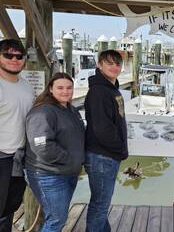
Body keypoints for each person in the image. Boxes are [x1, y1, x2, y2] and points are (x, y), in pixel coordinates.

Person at [24, 72, 85, 232]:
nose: (65, 91)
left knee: (58, 216)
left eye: (69, 87)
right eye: (60, 88)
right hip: (48, 175)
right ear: (50, 89)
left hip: (68, 172)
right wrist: (71, 160)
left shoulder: (71, 110)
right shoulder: (42, 112)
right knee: (57, 219)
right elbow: (43, 146)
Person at [84, 50, 128, 232]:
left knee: (102, 203)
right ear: (99, 65)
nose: (114, 67)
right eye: (109, 63)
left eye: (117, 64)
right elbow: (102, 129)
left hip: (107, 156)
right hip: (102, 157)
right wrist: (120, 149)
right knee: (100, 205)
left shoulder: (111, 89)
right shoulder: (99, 92)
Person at [0, 39, 34, 231]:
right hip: (1, 156)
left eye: (19, 56)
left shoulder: (26, 86)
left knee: (10, 207)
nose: (14, 59)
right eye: (8, 55)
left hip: (20, 157)